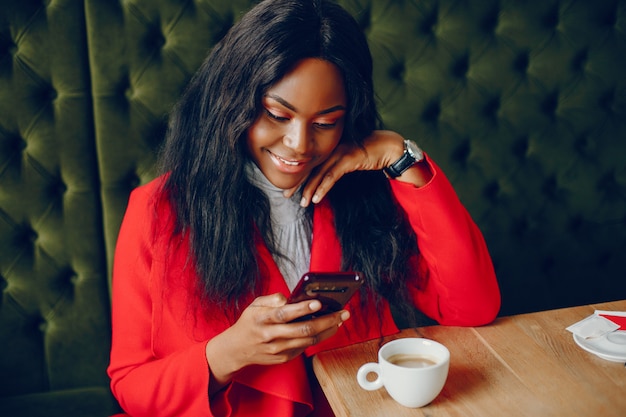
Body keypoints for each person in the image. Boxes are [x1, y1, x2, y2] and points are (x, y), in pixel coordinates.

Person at [107, 0, 501, 415]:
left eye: (326, 123)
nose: (299, 144)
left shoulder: (366, 191)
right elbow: (131, 385)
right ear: (233, 102)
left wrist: (401, 156)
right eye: (277, 114)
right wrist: (225, 355)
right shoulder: (159, 211)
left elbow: (472, 306)